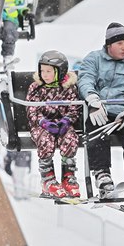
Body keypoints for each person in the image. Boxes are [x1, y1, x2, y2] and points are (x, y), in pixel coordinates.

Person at [77, 22, 124, 217]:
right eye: (120, 43)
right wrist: (93, 100)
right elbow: (85, 79)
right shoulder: (94, 59)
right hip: (100, 109)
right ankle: (102, 175)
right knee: (96, 126)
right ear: (109, 44)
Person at [26, 51, 81, 198]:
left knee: (70, 137)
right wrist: (43, 122)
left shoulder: (68, 88)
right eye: (42, 71)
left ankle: (68, 177)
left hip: (62, 124)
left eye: (49, 71)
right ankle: (47, 179)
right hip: (41, 126)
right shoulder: (36, 87)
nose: (44, 74)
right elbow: (32, 109)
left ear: (60, 72)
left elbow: (74, 108)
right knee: (45, 140)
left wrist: (66, 121)